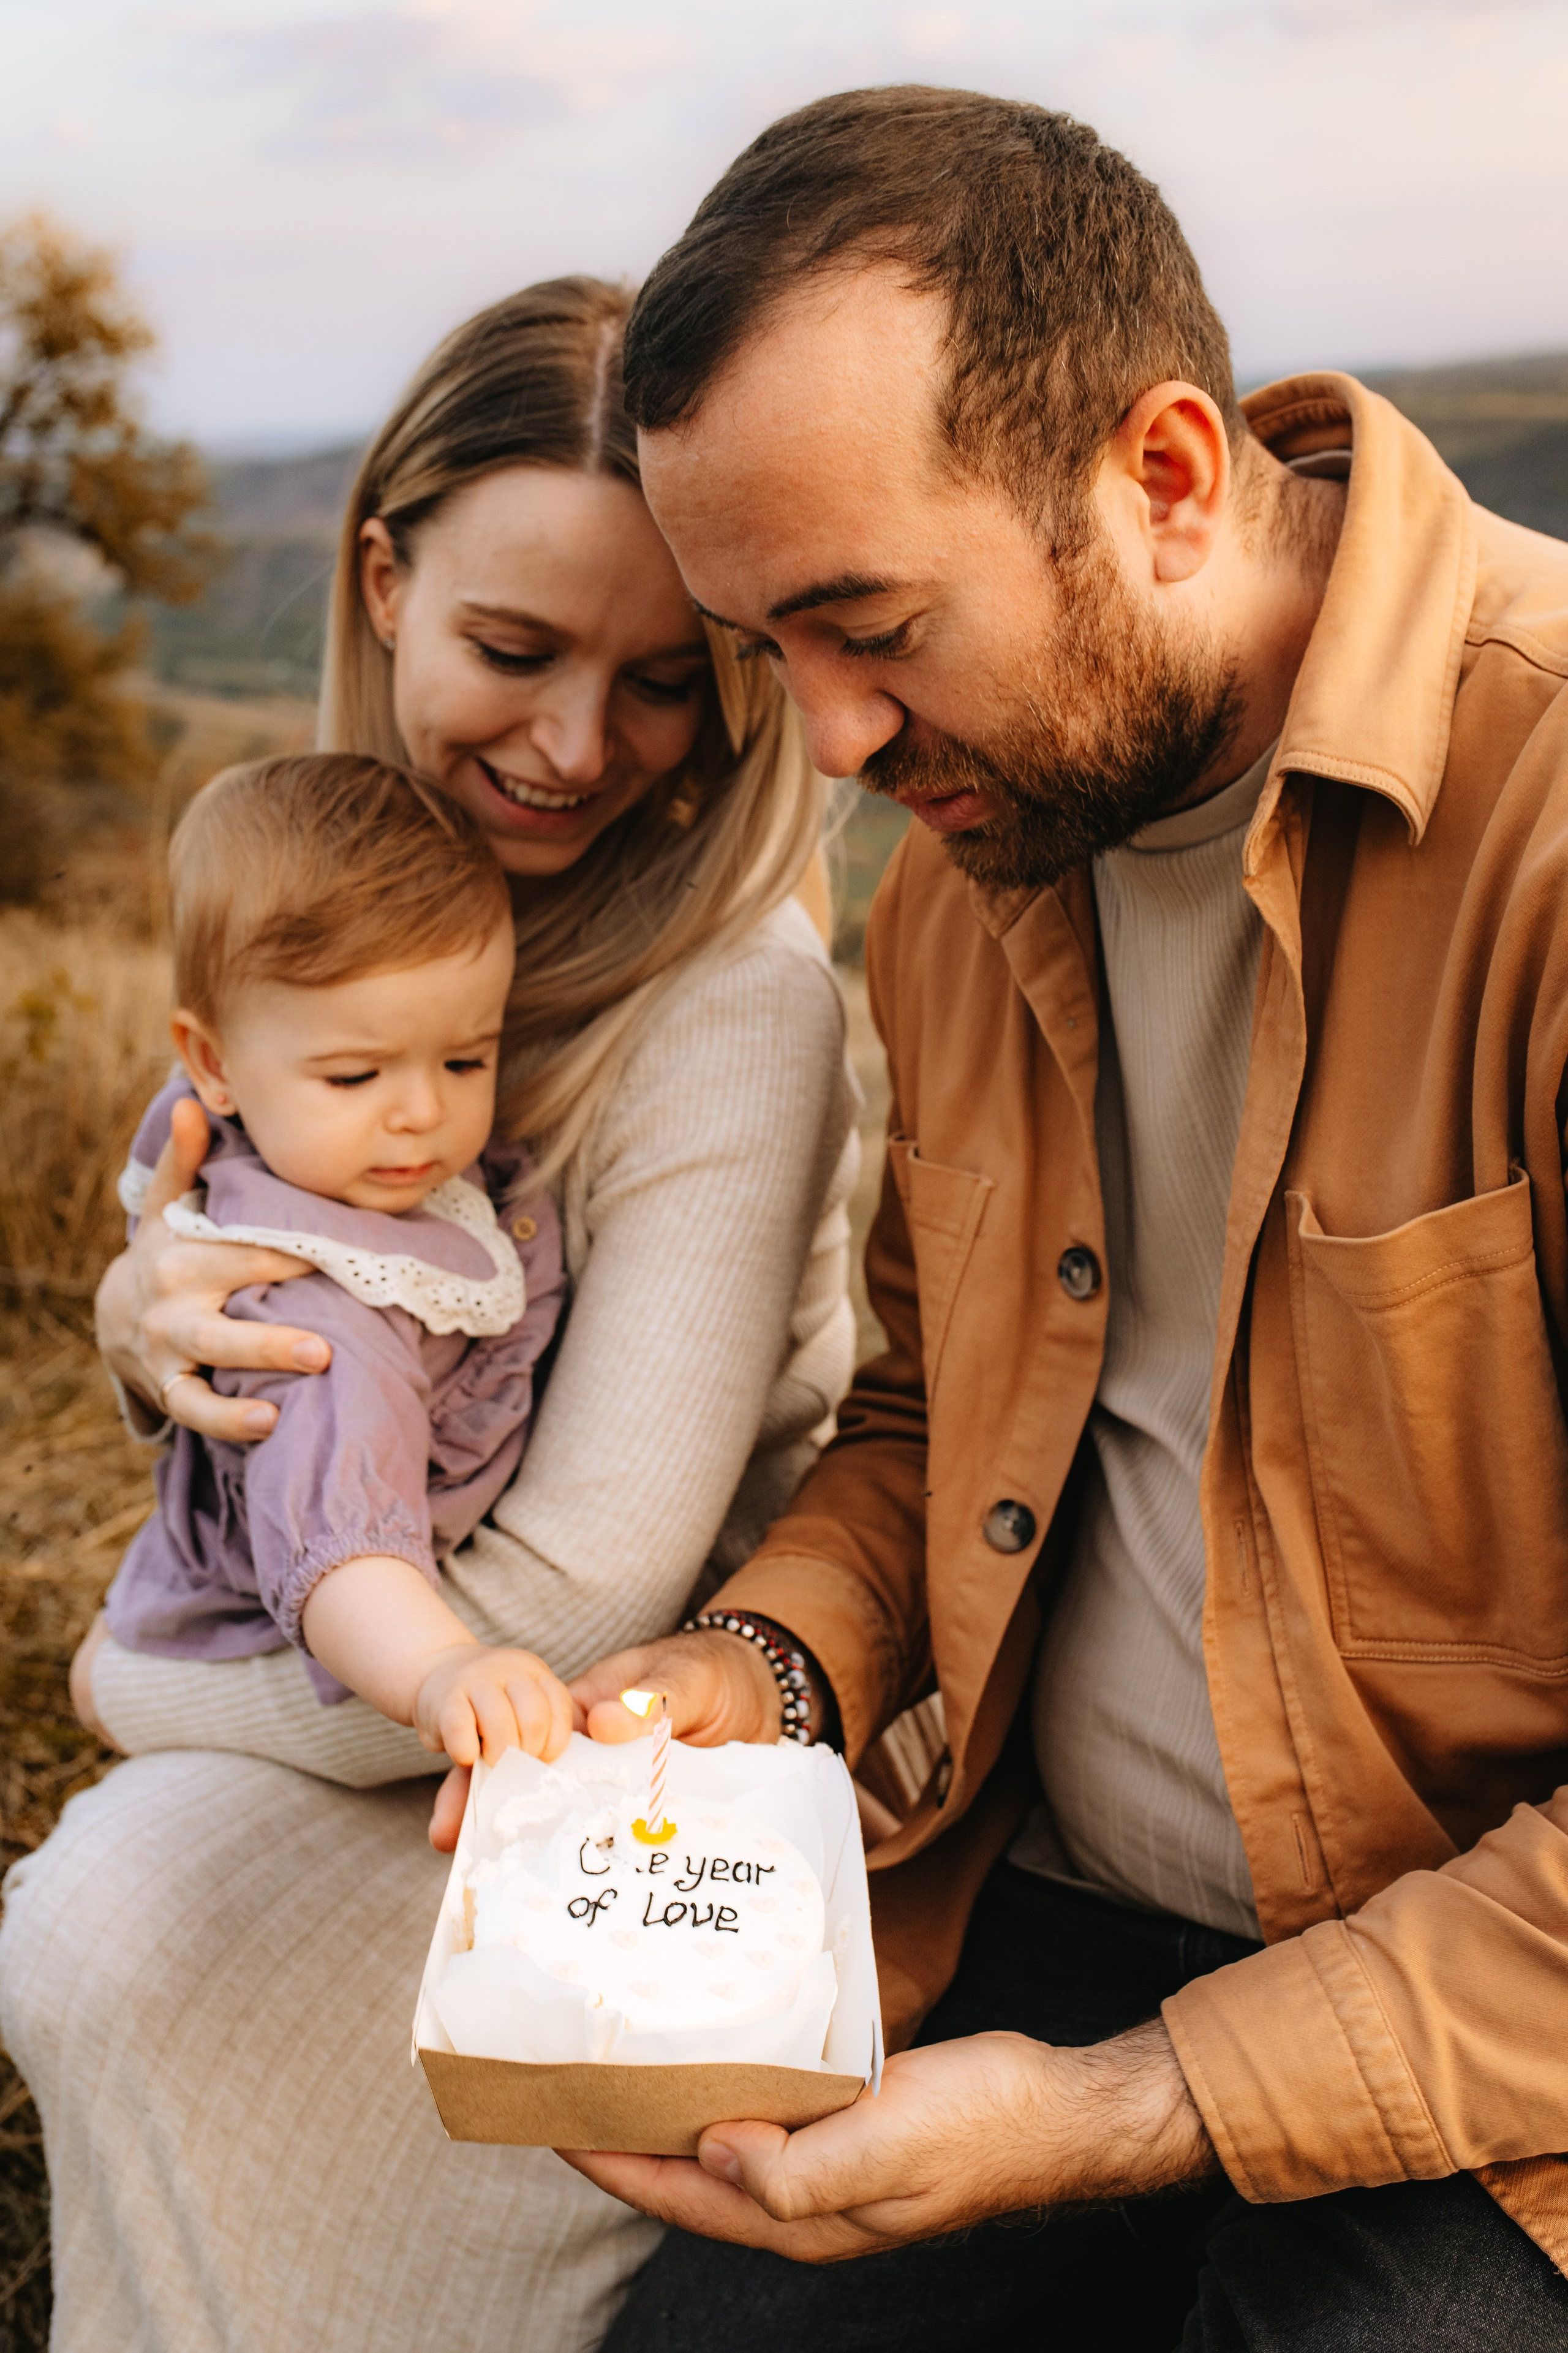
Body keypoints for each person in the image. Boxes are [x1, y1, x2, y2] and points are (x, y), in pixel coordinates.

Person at [558, 88, 1568, 2350]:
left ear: (1170, 478)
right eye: (762, 651)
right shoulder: (962, 876)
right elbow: (933, 1405)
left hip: (1505, 2038)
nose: (823, 744)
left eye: (869, 621)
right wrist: (773, 1667)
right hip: (1053, 1916)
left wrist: (1121, 2111)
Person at [0, 278, 858, 2353]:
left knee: (112, 1913)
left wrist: (144, 1697)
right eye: (513, 647)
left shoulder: (735, 1004)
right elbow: (273, 1383)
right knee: (112, 1936)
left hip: (607, 1724)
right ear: (381, 575)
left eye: (665, 679)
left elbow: (582, 1590)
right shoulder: (327, 918)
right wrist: (150, 1313)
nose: (575, 747)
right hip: (394, 1678)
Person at [105, 753, 575, 1767]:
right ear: (216, 1064)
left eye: (467, 1058)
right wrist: (441, 1669)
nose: (422, 1110)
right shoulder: (310, 1312)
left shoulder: (355, 1163)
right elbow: (339, 1540)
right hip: (321, 1638)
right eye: (355, 1072)